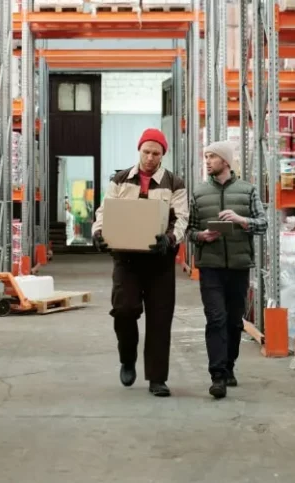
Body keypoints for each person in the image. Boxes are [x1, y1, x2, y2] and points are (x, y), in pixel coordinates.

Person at [92, 128, 189, 398]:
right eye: (146, 151)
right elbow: (104, 210)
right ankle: (127, 357)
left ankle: (157, 379)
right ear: (139, 150)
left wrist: (169, 239)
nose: (149, 157)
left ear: (162, 155)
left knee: (159, 319)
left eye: (155, 153)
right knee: (123, 310)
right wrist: (98, 233)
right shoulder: (121, 179)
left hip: (159, 260)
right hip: (126, 258)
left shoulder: (174, 183)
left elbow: (181, 218)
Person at [186, 140, 267, 399]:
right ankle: (217, 376)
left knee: (234, 322)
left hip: (239, 267)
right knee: (216, 319)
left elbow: (263, 224)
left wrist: (242, 221)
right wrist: (201, 236)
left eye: (212, 156)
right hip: (210, 266)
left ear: (226, 161)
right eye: (206, 156)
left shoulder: (248, 191)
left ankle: (229, 365)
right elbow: (189, 230)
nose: (207, 161)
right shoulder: (198, 193)